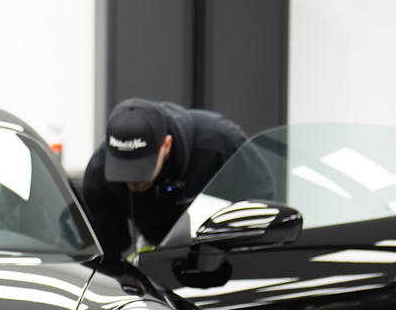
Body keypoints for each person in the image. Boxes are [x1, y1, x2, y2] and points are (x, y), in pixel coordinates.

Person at [80, 98, 273, 259]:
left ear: (166, 145)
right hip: (154, 245)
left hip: (223, 245)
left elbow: (261, 202)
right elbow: (108, 250)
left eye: (140, 168)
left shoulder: (220, 143)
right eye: (123, 168)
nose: (132, 179)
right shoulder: (99, 172)